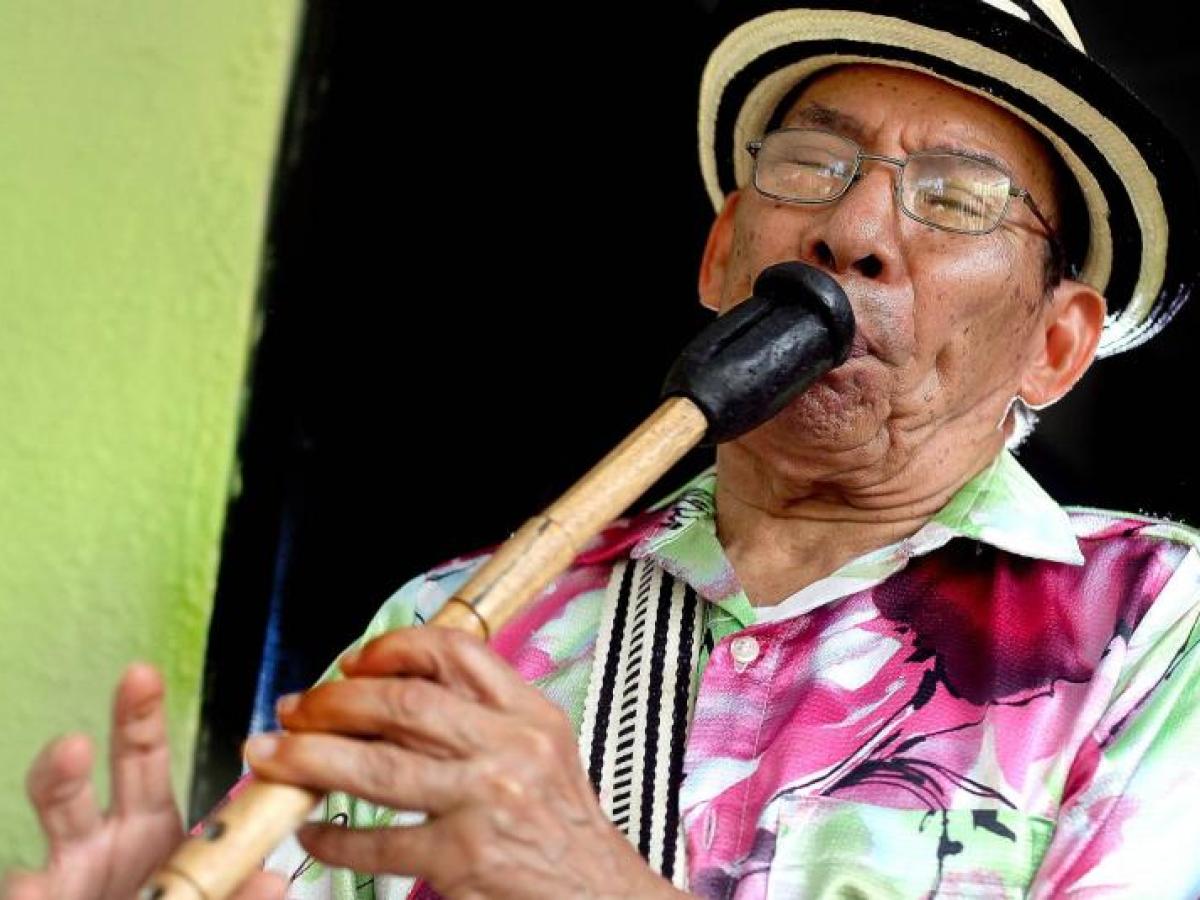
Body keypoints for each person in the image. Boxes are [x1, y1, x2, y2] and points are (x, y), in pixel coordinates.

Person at [7, 1, 1200, 898]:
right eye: (812, 166)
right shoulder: (452, 625)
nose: (854, 229)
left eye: (956, 200)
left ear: (1054, 345)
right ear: (725, 256)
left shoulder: (1162, 625)